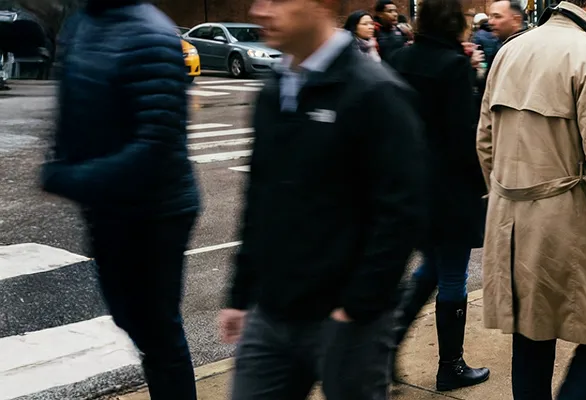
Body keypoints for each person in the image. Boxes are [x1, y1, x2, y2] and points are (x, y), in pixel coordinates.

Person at [219, 0, 425, 398]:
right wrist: (240, 295)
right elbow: (260, 199)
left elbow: (402, 211)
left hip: (346, 322)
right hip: (272, 312)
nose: (260, 11)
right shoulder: (275, 89)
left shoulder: (375, 91)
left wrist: (357, 308)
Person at [476, 0, 586, 396]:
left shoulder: (511, 49)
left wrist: (508, 195)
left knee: (532, 334)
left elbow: (485, 141)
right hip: (570, 219)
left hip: (511, 220)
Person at [40, 0, 199, 398]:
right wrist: (62, 156)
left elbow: (156, 144)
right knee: (131, 318)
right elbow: (72, 101)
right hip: (107, 209)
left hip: (156, 213)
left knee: (159, 332)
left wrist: (75, 178)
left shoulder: (152, 34)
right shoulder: (82, 24)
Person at [385, 0, 492, 391]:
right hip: (449, 189)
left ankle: (388, 343)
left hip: (408, 185)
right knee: (451, 275)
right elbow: (465, 135)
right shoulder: (454, 66)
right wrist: (483, 185)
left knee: (429, 268)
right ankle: (451, 365)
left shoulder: (399, 57)